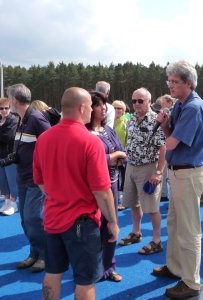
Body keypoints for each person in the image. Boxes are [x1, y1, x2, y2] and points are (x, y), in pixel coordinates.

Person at [33, 87, 119, 300]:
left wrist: (60, 195)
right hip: (82, 223)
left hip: (52, 218)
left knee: (52, 273)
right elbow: (101, 190)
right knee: (85, 280)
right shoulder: (91, 142)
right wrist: (113, 222)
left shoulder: (44, 138)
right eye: (91, 106)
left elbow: (40, 181)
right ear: (82, 108)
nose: (92, 110)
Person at [152, 60, 203, 299]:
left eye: (175, 82)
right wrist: (165, 125)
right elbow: (171, 135)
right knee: (175, 224)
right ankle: (176, 267)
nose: (170, 85)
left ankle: (191, 282)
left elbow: (172, 143)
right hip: (180, 172)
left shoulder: (192, 107)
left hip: (188, 173)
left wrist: (154, 146)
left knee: (189, 230)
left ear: (188, 83)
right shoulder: (182, 104)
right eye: (169, 81)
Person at [7, 83, 50, 272]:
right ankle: (35, 253)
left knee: (34, 217)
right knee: (25, 219)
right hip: (22, 177)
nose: (8, 101)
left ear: (14, 100)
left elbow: (52, 147)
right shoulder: (21, 119)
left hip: (35, 179)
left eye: (9, 98)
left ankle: (45, 255)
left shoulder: (37, 118)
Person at [119, 87, 166, 256]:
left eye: (141, 100)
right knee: (132, 203)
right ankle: (136, 232)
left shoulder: (156, 120)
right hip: (131, 165)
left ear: (149, 102)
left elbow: (163, 148)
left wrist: (158, 172)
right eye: (134, 101)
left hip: (148, 167)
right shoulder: (131, 119)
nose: (136, 104)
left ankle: (156, 240)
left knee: (152, 207)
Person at [86, 91, 126, 282]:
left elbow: (122, 151)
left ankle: (109, 267)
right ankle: (93, 267)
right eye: (98, 105)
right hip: (92, 189)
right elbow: (88, 162)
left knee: (111, 227)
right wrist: (113, 157)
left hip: (112, 185)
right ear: (88, 108)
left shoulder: (108, 130)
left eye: (104, 104)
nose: (104, 108)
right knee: (93, 229)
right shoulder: (84, 134)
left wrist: (118, 157)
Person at [0, 97, 19, 216]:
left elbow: (7, 137)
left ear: (10, 108)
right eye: (1, 108)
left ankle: (14, 203)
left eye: (6, 108)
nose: (4, 110)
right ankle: (7, 201)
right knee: (2, 180)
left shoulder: (14, 120)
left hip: (9, 156)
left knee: (11, 180)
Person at [112, 100, 129, 210]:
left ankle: (124, 201)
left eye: (120, 108)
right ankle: (116, 200)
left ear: (124, 111)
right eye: (115, 108)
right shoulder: (108, 121)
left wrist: (125, 153)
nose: (117, 110)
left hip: (123, 154)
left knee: (124, 177)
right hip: (111, 155)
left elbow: (129, 138)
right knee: (114, 178)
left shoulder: (126, 122)